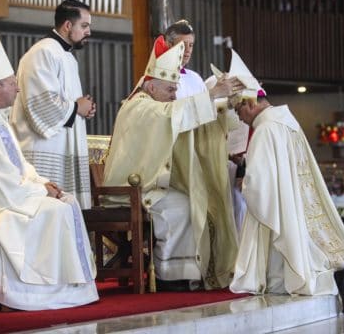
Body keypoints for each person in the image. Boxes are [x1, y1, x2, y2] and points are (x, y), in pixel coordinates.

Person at [228, 53, 344, 316]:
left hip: (282, 208)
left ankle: (332, 280)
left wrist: (243, 183)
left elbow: (260, 186)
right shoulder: (288, 123)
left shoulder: (264, 130)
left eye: (238, 109)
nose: (239, 118)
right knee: (307, 251)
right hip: (298, 201)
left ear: (250, 102)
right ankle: (340, 273)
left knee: (284, 276)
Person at [103, 37, 241, 291]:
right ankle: (169, 274)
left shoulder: (156, 105)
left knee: (196, 199)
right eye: (170, 89)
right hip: (130, 190)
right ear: (152, 87)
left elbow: (186, 124)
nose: (175, 94)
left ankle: (187, 272)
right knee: (184, 205)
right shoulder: (138, 107)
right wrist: (210, 94)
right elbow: (169, 116)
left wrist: (222, 105)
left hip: (149, 183)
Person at [0, 33, 98, 311]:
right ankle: (36, 294)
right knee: (57, 210)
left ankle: (66, 288)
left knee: (67, 201)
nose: (18, 90)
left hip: (16, 192)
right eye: (13, 83)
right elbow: (3, 180)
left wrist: (43, 181)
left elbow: (20, 165)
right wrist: (40, 190)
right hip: (2, 203)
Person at [10, 0, 96, 209]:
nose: (89, 32)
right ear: (68, 26)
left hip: (62, 147)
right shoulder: (43, 52)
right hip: (42, 150)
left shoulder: (66, 57)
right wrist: (76, 108)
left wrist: (82, 109)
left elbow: (65, 102)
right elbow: (40, 104)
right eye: (84, 26)